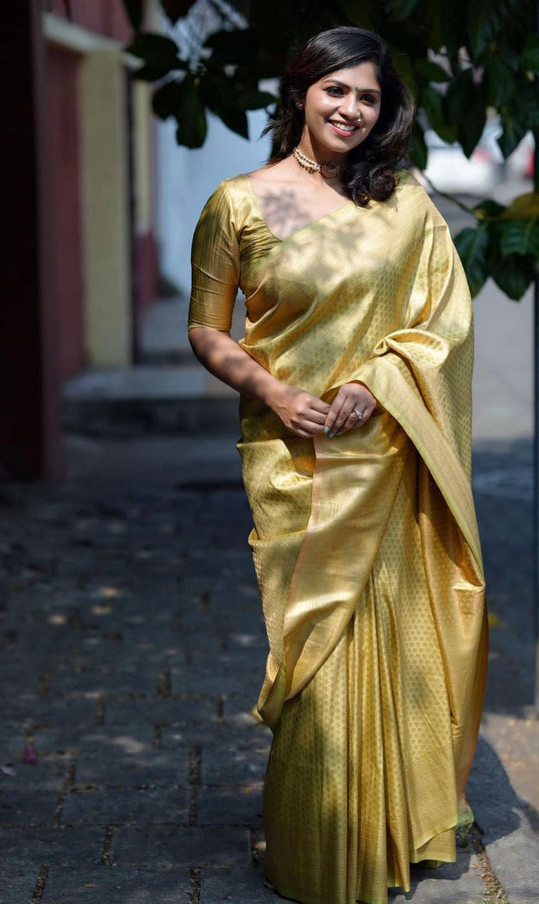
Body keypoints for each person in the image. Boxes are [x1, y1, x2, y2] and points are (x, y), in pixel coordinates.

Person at [187, 26, 488, 904]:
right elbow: (208, 327)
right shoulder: (247, 203)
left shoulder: (400, 198)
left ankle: (397, 823)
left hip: (392, 448)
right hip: (295, 458)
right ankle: (320, 850)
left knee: (399, 638)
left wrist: (382, 377)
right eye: (337, 92)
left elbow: (445, 318)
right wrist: (275, 393)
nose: (354, 110)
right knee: (314, 649)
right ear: (301, 92)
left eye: (369, 97)